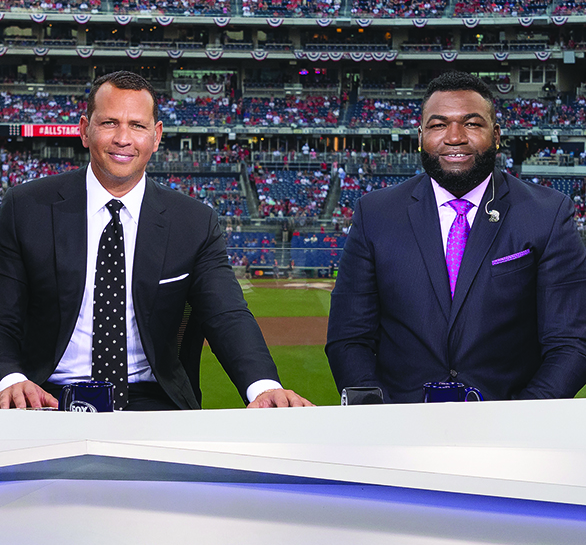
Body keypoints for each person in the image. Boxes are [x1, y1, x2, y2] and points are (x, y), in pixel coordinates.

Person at [0, 71, 311, 411]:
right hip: (46, 396)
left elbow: (227, 314)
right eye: (109, 123)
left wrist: (263, 387)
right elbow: (4, 315)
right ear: (84, 130)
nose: (123, 138)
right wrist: (11, 378)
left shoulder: (194, 222)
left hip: (151, 400)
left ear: (156, 135)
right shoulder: (25, 208)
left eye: (137, 125)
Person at [326, 71, 586, 403]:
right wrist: (379, 415)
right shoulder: (374, 213)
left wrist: (523, 418)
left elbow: (571, 341)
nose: (454, 137)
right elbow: (349, 337)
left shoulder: (547, 214)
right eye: (438, 125)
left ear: (496, 135)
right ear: (420, 136)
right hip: (399, 429)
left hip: (510, 430)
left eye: (472, 124)